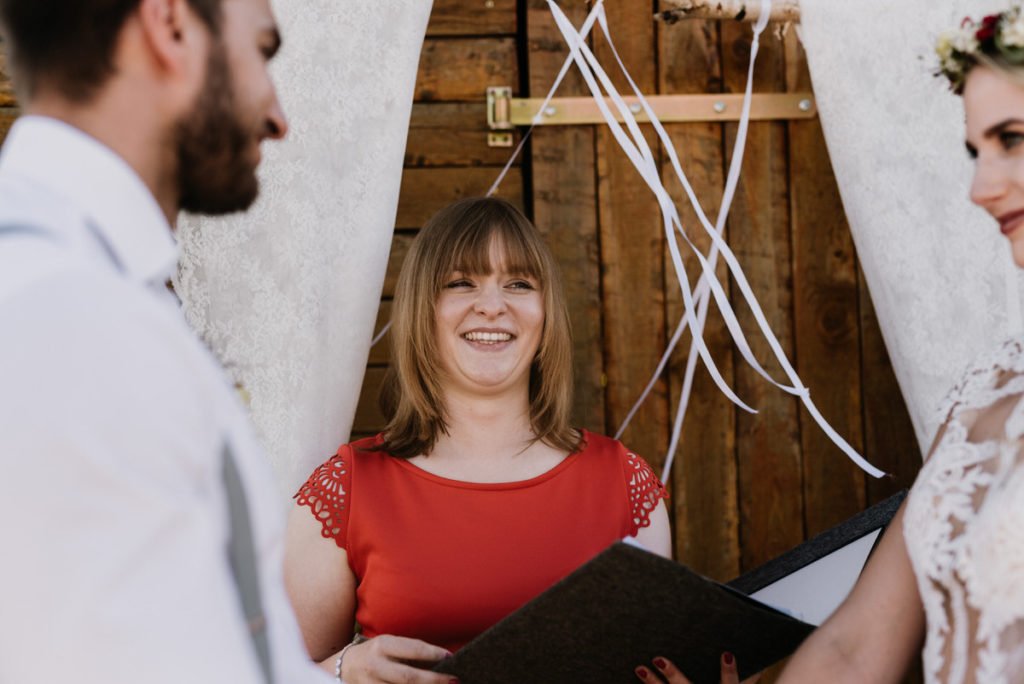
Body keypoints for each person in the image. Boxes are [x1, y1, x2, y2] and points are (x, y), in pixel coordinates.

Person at [639, 6, 1024, 684]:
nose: (980, 189)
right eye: (974, 151)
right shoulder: (987, 394)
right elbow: (855, 647)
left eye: (1013, 139)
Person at [0, 1, 330, 682]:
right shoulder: (62, 317)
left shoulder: (96, 290)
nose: (277, 117)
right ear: (170, 25)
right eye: (262, 51)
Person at [285, 196, 673, 683]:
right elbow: (271, 675)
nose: (492, 306)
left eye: (518, 284)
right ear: (422, 310)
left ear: (546, 312)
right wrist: (342, 671)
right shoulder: (347, 487)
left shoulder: (624, 481)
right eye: (461, 283)